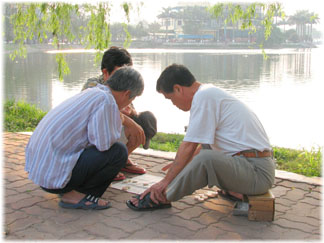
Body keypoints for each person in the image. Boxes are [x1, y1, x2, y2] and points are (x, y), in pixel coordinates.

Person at [126, 64, 275, 211]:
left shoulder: (204, 96)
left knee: (207, 158)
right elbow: (200, 146)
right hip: (248, 167)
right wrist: (181, 167)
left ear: (178, 89)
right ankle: (234, 191)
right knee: (204, 152)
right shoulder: (207, 93)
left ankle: (160, 196)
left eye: (170, 98)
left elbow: (190, 145)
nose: (173, 104)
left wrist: (165, 182)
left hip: (257, 172)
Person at [25, 67, 145, 210]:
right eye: (132, 98)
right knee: (118, 152)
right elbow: (104, 144)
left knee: (110, 150)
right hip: (52, 178)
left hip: (43, 173)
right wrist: (119, 120)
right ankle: (77, 196)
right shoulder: (106, 101)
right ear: (127, 94)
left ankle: (69, 190)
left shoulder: (93, 92)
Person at [82, 46, 157, 181]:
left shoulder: (126, 85)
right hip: (95, 133)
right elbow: (99, 113)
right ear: (106, 73)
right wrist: (128, 120)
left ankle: (121, 160)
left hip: (117, 128)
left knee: (145, 119)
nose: (124, 77)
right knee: (125, 126)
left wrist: (132, 114)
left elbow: (129, 110)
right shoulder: (93, 86)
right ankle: (107, 165)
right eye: (119, 73)